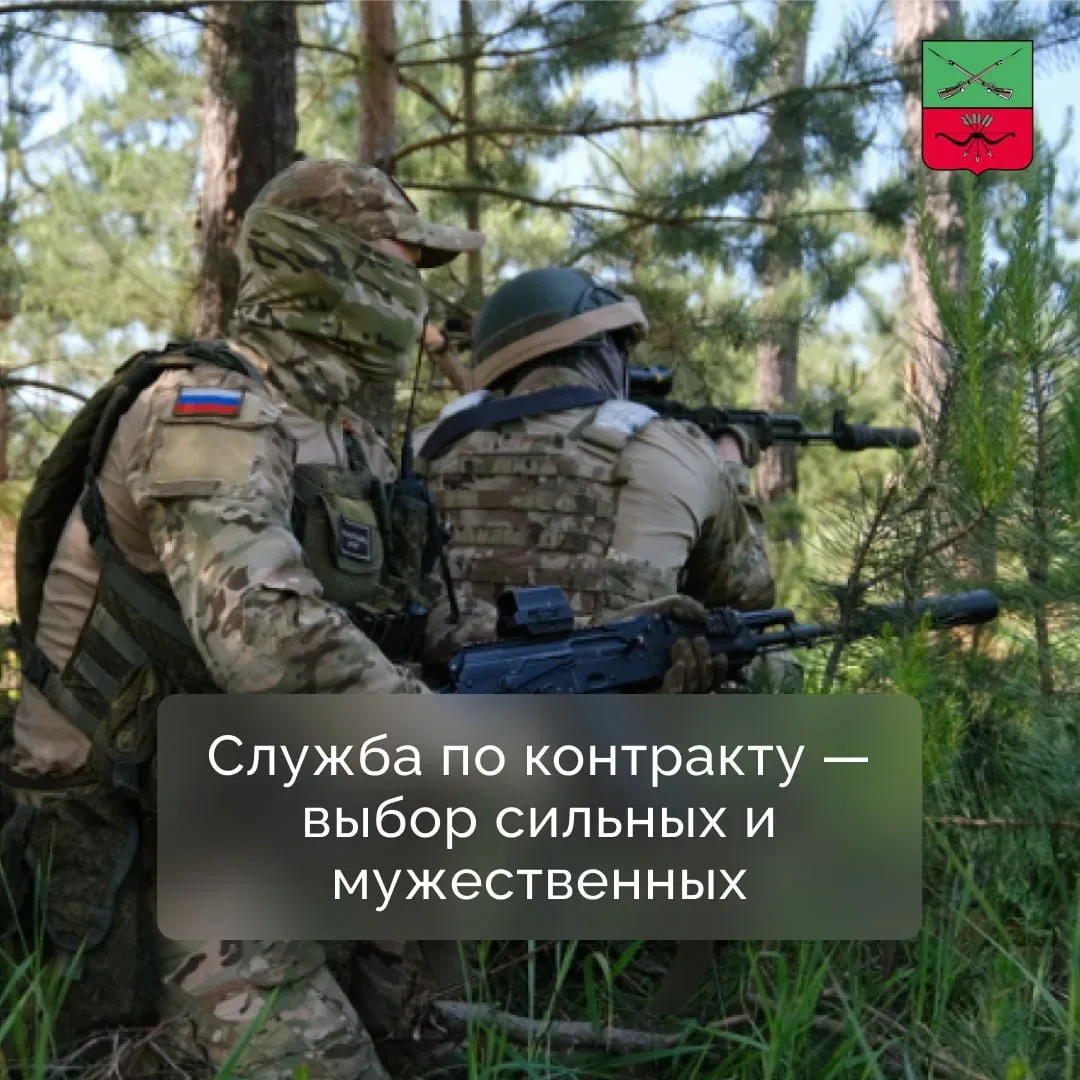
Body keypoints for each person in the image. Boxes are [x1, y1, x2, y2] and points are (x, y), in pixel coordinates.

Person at [0, 158, 487, 1080]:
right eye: (400, 262)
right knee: (324, 1066)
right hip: (132, 823)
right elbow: (264, 640)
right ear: (323, 265)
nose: (418, 295)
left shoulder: (343, 435)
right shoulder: (206, 411)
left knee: (435, 1027)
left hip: (254, 787)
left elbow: (402, 619)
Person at [415, 266, 801, 693]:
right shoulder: (675, 448)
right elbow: (749, 594)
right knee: (773, 660)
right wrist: (729, 464)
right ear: (601, 350)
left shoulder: (421, 448)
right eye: (621, 347)